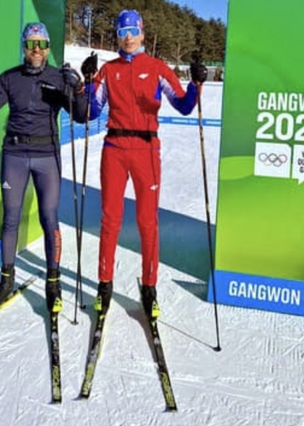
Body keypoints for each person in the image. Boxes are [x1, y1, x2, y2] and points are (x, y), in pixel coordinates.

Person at [80, 9, 208, 319]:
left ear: (142, 34)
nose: (126, 36)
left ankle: (149, 287)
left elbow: (184, 106)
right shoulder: (108, 71)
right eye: (121, 30)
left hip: (146, 152)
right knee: (110, 219)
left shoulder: (157, 68)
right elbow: (92, 111)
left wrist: (196, 83)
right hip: (114, 148)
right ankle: (104, 284)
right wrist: (87, 81)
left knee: (147, 221)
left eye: (131, 30)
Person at [0, 22, 88, 313]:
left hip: (46, 154)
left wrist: (77, 88)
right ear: (24, 47)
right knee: (11, 217)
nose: (36, 50)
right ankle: (6, 279)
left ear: (48, 47)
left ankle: (53, 282)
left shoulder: (57, 77)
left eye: (42, 44)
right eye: (30, 44)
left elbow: (82, 116)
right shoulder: (11, 78)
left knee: (49, 218)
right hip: (15, 154)